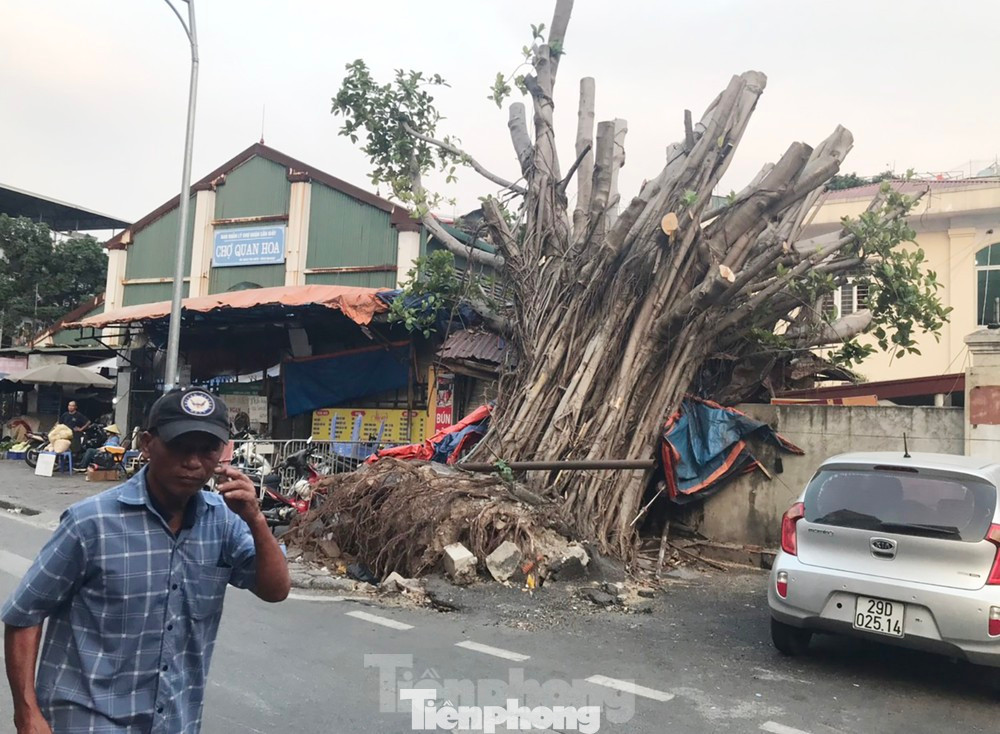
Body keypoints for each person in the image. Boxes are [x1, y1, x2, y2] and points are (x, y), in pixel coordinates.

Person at [2, 388, 291, 733]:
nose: (194, 462)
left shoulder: (225, 522)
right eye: (180, 446)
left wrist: (256, 519)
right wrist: (27, 713)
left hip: (174, 721)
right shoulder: (90, 523)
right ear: (147, 443)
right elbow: (25, 615)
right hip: (87, 720)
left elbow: (275, 590)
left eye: (208, 449)